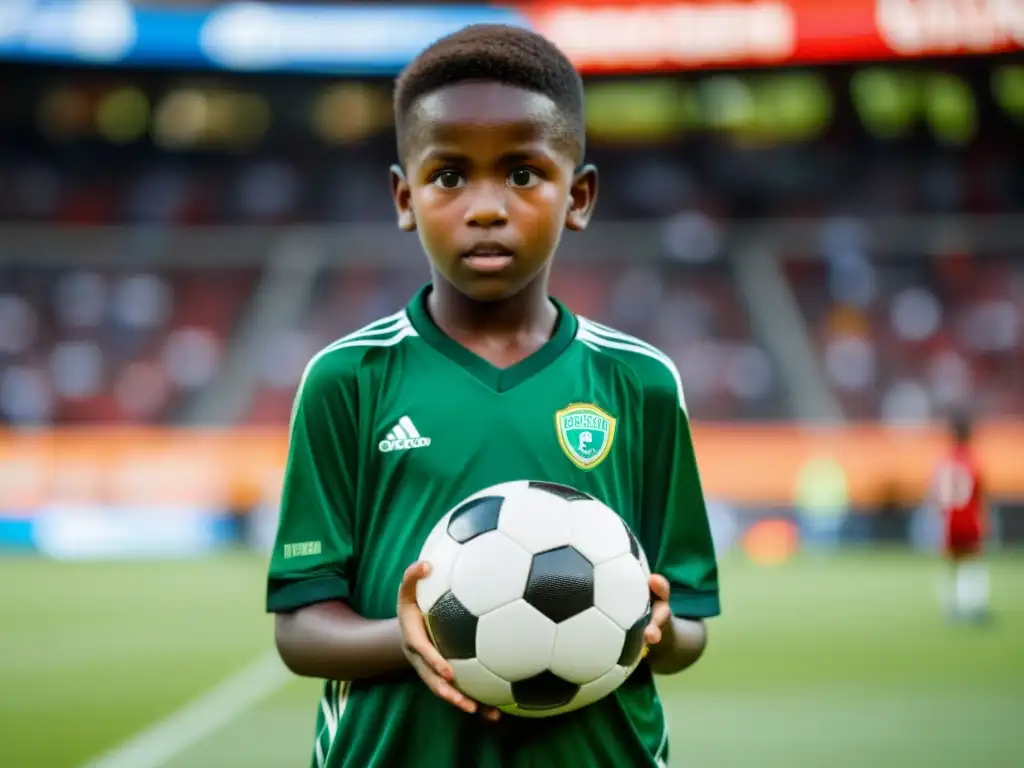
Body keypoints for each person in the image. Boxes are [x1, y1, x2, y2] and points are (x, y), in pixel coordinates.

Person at [266, 24, 720, 768]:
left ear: (578, 197)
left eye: (521, 175)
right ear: (403, 196)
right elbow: (299, 631)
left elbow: (689, 627)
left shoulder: (639, 382)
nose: (485, 207)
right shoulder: (347, 379)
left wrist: (652, 626)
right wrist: (406, 637)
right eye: (449, 176)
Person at [933, 412, 989, 622]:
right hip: (968, 518)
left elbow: (937, 493)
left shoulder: (945, 461)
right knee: (973, 562)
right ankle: (974, 605)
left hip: (950, 519)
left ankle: (951, 606)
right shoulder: (972, 460)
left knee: (952, 563)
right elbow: (980, 492)